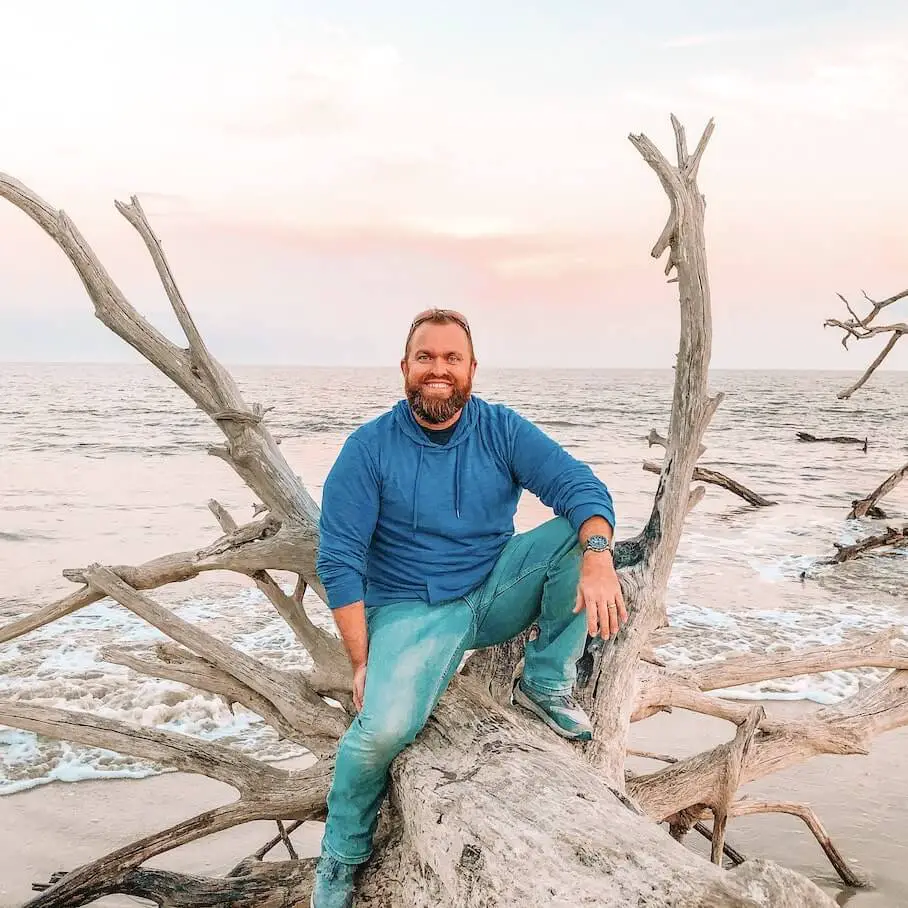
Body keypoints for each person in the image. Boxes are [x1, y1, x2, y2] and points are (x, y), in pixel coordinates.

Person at [310, 308, 624, 908]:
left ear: (472, 369)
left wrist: (599, 556)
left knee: (573, 534)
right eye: (425, 357)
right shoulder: (368, 448)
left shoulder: (500, 429)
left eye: (452, 358)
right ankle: (340, 855)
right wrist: (361, 660)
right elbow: (340, 561)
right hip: (412, 608)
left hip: (492, 589)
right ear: (405, 368)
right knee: (382, 732)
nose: (438, 369)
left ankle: (545, 683)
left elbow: (579, 485)